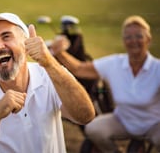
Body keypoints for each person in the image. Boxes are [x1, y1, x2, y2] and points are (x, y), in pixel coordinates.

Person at [0, 12, 95, 153]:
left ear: (26, 45)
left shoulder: (51, 74)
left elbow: (85, 115)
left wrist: (50, 63)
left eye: (6, 37)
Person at [51, 15, 160, 152]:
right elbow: (79, 68)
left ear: (148, 39)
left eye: (138, 36)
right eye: (128, 37)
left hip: (154, 125)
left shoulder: (157, 68)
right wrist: (59, 52)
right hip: (123, 121)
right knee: (93, 129)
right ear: (124, 41)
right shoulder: (115, 64)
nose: (133, 41)